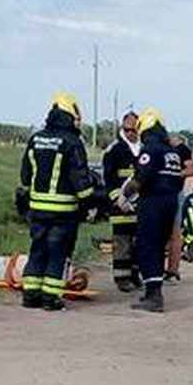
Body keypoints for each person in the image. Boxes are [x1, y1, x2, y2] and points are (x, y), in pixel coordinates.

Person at [18, 92, 95, 311]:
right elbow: (80, 180)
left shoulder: (35, 139)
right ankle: (50, 299)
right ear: (71, 116)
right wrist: (90, 203)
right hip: (63, 212)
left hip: (37, 210)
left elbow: (25, 177)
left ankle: (30, 295)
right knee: (57, 253)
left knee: (37, 250)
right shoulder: (72, 142)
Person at [121, 108, 182, 312]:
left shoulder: (151, 150)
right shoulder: (172, 152)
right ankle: (152, 292)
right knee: (158, 246)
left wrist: (124, 196)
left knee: (148, 246)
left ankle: (153, 296)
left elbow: (139, 179)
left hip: (153, 203)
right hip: (170, 203)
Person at [101, 112, 143, 292]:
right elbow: (108, 179)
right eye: (127, 130)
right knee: (122, 244)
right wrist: (118, 199)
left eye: (134, 130)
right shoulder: (115, 151)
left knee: (138, 243)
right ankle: (121, 278)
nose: (131, 133)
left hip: (140, 205)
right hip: (120, 205)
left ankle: (135, 275)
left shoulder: (145, 149)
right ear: (122, 129)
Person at [164, 132, 193, 283]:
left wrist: (172, 174)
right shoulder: (157, 148)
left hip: (175, 193)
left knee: (175, 233)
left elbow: (191, 170)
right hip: (158, 194)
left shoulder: (182, 150)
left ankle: (173, 270)